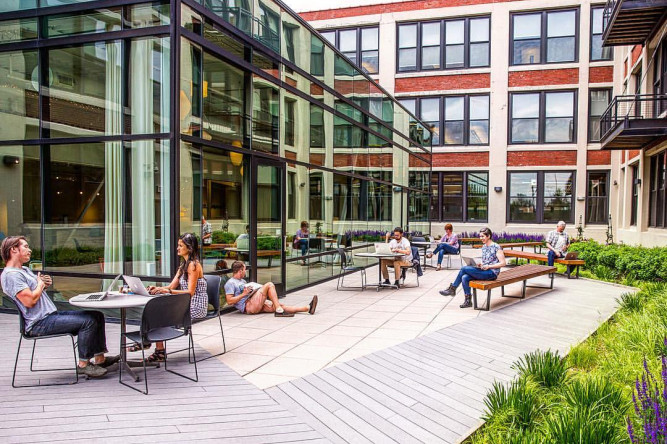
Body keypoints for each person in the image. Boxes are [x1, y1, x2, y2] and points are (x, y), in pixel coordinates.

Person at [0, 236, 119, 378]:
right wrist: (40, 284)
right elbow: (29, 301)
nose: (29, 250)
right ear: (13, 249)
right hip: (39, 323)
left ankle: (100, 360)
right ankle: (83, 365)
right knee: (88, 321)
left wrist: (43, 284)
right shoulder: (12, 275)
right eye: (25, 246)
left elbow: (33, 291)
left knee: (97, 315)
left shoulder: (23, 270)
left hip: (49, 316)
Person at [142, 233, 208, 362]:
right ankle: (150, 343)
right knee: (154, 310)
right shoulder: (183, 266)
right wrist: (158, 289)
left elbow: (190, 293)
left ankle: (151, 345)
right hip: (185, 305)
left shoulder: (194, 265)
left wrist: (168, 291)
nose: (177, 248)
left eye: (180, 246)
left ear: (189, 248)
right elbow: (171, 286)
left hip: (196, 306)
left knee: (158, 313)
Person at [439, 227, 506, 308]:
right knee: (465, 277)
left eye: (482, 236)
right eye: (480, 236)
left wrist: (489, 266)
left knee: (464, 268)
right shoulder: (484, 247)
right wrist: (480, 264)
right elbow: (485, 261)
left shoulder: (496, 247)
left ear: (488, 236)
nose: (481, 238)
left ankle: (452, 288)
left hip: (491, 273)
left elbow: (503, 263)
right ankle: (468, 301)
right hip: (484, 271)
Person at [224, 261, 317, 316]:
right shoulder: (230, 283)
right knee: (269, 284)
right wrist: (244, 294)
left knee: (279, 305)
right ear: (240, 271)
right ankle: (279, 311)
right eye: (244, 270)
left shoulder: (242, 281)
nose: (245, 272)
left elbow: (246, 294)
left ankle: (307, 308)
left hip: (253, 301)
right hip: (248, 307)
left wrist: (252, 291)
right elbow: (229, 301)